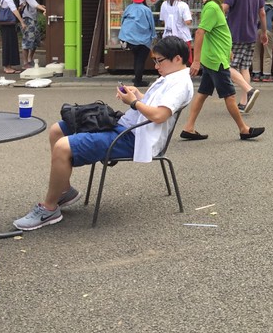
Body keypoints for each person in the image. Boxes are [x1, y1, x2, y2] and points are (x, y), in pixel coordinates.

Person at [12, 36, 195, 231]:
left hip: (134, 137)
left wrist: (133, 102)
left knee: (62, 147)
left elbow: (159, 115)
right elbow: (153, 104)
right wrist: (137, 96)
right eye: (155, 60)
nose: (156, 65)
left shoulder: (180, 84)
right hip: (125, 126)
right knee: (57, 130)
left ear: (177, 59)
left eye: (159, 60)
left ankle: (49, 209)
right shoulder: (170, 77)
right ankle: (64, 191)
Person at [179, 0, 265, 142]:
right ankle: (244, 129)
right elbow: (200, 32)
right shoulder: (212, 7)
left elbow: (217, 33)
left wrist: (227, 50)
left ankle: (188, 127)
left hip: (215, 56)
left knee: (203, 93)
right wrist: (195, 60)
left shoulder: (214, 4)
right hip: (216, 60)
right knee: (230, 95)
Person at [223, 0, 267, 113]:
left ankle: (249, 90)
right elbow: (262, 12)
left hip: (234, 33)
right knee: (245, 67)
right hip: (251, 33)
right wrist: (264, 32)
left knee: (226, 65)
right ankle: (243, 102)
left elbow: (225, 7)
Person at [119, 0, 157, 88]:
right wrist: (154, 37)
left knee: (136, 58)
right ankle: (138, 81)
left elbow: (122, 21)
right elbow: (151, 25)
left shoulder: (129, 7)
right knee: (140, 59)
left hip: (128, 38)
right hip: (142, 40)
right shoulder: (146, 10)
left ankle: (137, 77)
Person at [0, 0, 26, 74]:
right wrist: (21, 21)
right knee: (8, 44)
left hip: (7, 23)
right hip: (8, 24)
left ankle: (8, 65)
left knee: (10, 44)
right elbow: (13, 10)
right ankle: (7, 66)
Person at [18, 0, 46, 68]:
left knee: (35, 40)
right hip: (27, 18)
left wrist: (40, 7)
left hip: (34, 17)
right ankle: (25, 63)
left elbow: (34, 2)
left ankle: (30, 59)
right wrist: (42, 9)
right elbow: (32, 2)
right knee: (27, 40)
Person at [159, 0, 193, 64]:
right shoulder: (183, 5)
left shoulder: (164, 4)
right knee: (184, 59)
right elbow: (187, 22)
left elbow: (163, 21)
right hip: (182, 37)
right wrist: (190, 15)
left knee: (170, 59)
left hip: (168, 36)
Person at [252, 3, 273, 83]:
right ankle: (266, 75)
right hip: (267, 31)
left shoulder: (256, 8)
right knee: (268, 54)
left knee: (255, 53)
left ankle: (256, 74)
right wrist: (272, 34)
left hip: (255, 31)